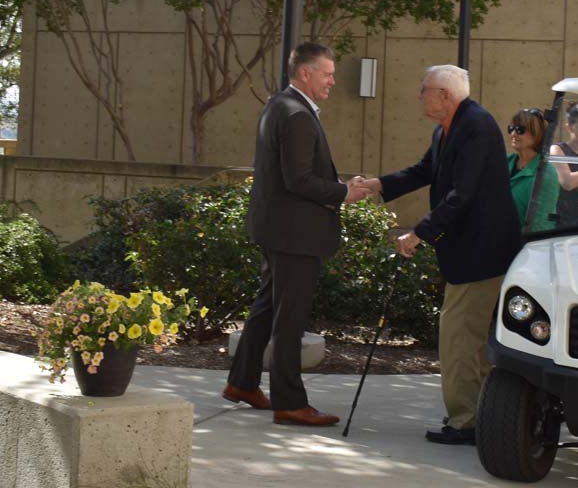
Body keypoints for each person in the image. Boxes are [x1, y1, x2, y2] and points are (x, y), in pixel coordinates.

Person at [356, 65, 521, 445]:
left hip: (482, 253)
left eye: (424, 89)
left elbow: (463, 194)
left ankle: (467, 423)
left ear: (445, 95)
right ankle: (479, 416)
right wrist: (378, 184)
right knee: (468, 338)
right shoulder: (448, 127)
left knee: (459, 337)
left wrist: (419, 233)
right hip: (471, 252)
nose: (419, 96)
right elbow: (425, 170)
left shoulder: (476, 126)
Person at [222, 42, 370, 427]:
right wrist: (343, 193)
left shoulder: (279, 105)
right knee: (289, 319)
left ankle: (242, 382)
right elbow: (299, 179)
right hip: (295, 236)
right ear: (305, 73)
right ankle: (289, 402)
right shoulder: (297, 114)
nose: (333, 81)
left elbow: (293, 173)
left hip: (278, 230)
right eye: (328, 74)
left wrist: (340, 187)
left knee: (267, 308)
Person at [507, 107, 559, 231]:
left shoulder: (546, 174)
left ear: (537, 133)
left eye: (520, 130)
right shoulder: (504, 162)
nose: (513, 134)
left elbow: (541, 225)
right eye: (511, 128)